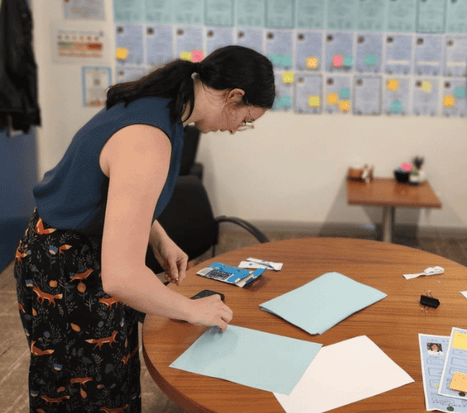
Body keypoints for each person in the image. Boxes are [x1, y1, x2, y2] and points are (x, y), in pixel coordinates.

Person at [14, 45, 275, 413]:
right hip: (66, 267)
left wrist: (159, 237)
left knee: (97, 380)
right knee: (91, 393)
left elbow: (114, 190)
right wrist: (192, 310)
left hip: (66, 247)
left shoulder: (164, 106)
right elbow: (121, 278)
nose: (236, 130)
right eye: (245, 119)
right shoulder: (149, 137)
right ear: (234, 96)